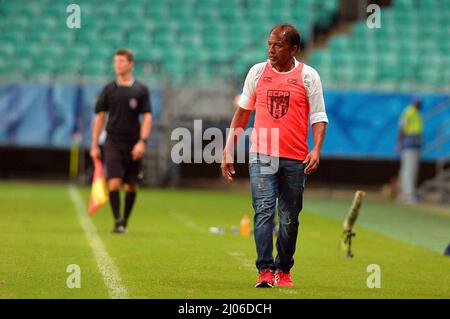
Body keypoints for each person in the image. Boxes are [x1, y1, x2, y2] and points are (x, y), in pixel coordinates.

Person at [221, 24, 328, 288]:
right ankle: (265, 270)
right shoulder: (257, 72)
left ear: (293, 49)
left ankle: (284, 269)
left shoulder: (308, 76)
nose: (271, 49)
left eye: (277, 45)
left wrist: (316, 149)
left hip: (295, 157)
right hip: (261, 154)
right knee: (264, 210)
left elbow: (318, 116)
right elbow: (243, 112)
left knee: (290, 218)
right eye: (269, 43)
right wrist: (228, 147)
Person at [90, 48, 153, 233]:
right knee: (114, 182)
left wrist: (142, 141)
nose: (118, 65)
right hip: (113, 141)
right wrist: (94, 144)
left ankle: (125, 219)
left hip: (133, 141)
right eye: (116, 61)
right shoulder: (108, 90)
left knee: (131, 185)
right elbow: (100, 117)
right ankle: (117, 221)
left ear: (131, 64)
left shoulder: (140, 90)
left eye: (121, 61)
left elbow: (147, 117)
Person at [397, 97, 423, 203]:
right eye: (418, 102)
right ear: (414, 102)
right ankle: (408, 194)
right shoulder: (409, 112)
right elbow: (402, 127)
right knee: (409, 169)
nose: (419, 104)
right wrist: (400, 142)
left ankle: (405, 193)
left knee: (409, 169)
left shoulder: (415, 112)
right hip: (409, 144)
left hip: (414, 144)